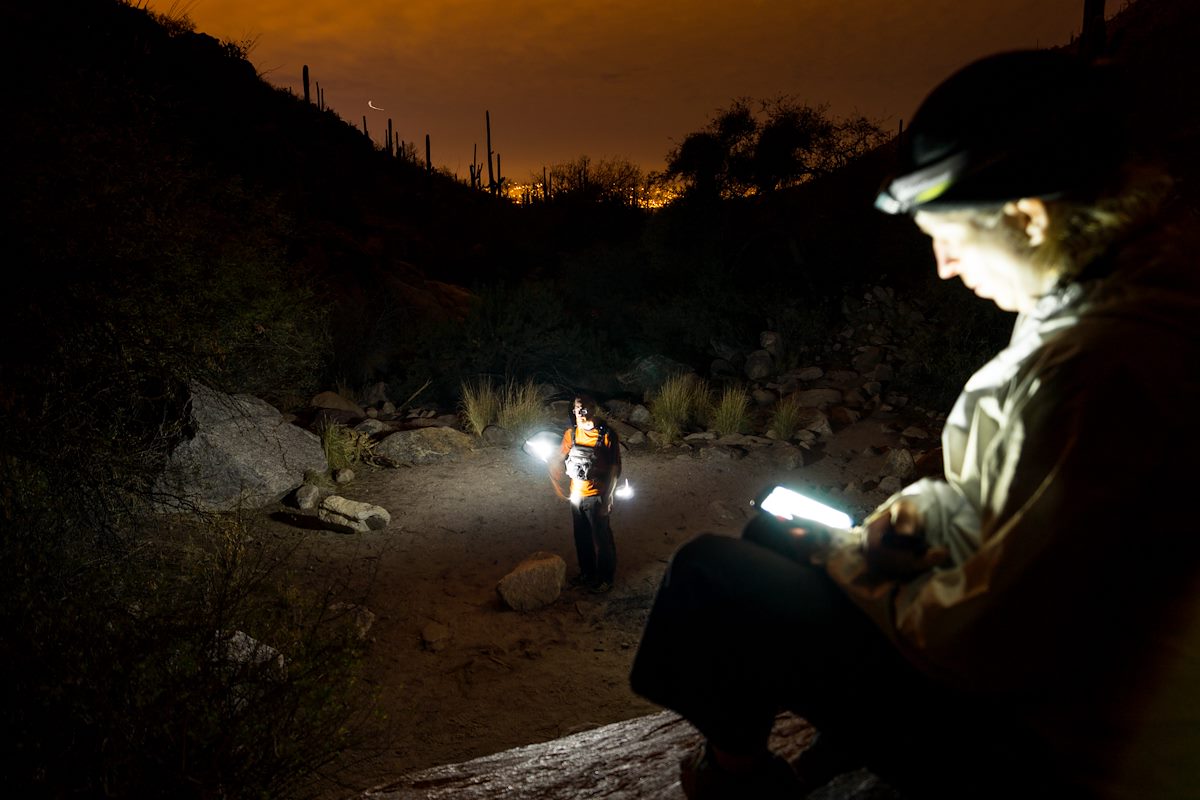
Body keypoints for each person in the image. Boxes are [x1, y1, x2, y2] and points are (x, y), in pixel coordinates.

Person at [630, 48, 1200, 799]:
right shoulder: (1125, 294)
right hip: (1032, 677)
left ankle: (738, 778)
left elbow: (989, 644)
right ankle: (835, 745)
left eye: (951, 237)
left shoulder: (1102, 367)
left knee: (710, 573)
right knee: (781, 528)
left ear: (1028, 216)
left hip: (1042, 750)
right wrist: (890, 535)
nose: (943, 266)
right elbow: (1011, 524)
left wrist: (855, 562)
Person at [550, 401, 622, 592]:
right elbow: (560, 457)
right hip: (576, 495)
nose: (579, 413)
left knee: (602, 538)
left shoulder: (606, 435)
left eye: (583, 409)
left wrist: (609, 497)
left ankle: (606, 579)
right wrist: (554, 466)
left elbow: (615, 468)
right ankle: (587, 573)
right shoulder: (571, 434)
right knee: (581, 537)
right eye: (576, 409)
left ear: (593, 409)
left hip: (597, 496)